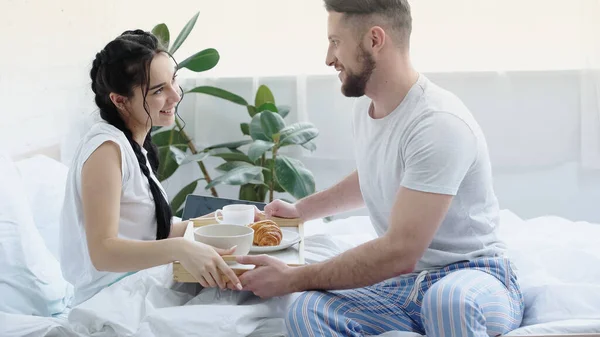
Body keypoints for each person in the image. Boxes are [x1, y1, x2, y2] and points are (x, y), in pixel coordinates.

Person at [231, 1, 525, 336]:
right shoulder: (368, 109)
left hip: (473, 278)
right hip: (403, 287)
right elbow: (376, 175)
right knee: (307, 310)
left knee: (448, 302)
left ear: (374, 40)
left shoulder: (438, 124)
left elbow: (400, 252)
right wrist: (300, 211)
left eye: (336, 42)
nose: (329, 58)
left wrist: (292, 278)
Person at [59, 30, 242, 307]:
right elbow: (104, 252)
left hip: (141, 286)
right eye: (158, 90)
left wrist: (221, 223)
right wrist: (182, 247)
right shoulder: (106, 150)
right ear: (119, 100)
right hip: (114, 300)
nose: (175, 96)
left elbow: (146, 234)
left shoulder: (133, 146)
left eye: (173, 81)